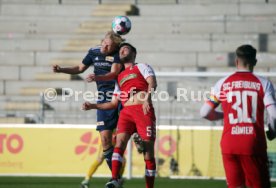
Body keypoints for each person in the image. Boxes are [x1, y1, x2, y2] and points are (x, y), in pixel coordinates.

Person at [52, 31, 125, 188]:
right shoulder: (93, 52)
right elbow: (79, 68)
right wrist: (61, 69)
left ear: (115, 47)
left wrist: (97, 77)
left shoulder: (118, 55)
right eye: (104, 43)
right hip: (104, 99)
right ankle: (116, 178)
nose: (106, 46)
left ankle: (118, 175)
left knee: (120, 139)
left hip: (120, 97)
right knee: (105, 141)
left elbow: (113, 74)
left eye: (109, 45)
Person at [82, 42, 157, 188]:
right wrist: (93, 106)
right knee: (119, 144)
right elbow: (113, 103)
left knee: (148, 153)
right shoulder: (120, 77)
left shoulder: (141, 66)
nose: (122, 50)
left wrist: (147, 98)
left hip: (143, 110)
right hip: (126, 113)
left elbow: (152, 82)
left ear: (134, 53)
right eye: (121, 49)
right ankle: (115, 179)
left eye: (126, 48)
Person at [200, 44, 276, 188]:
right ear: (254, 62)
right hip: (252, 144)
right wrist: (273, 129)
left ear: (236, 61)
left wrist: (225, 115)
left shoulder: (222, 84)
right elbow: (274, 114)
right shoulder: (264, 84)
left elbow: (204, 112)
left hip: (229, 144)